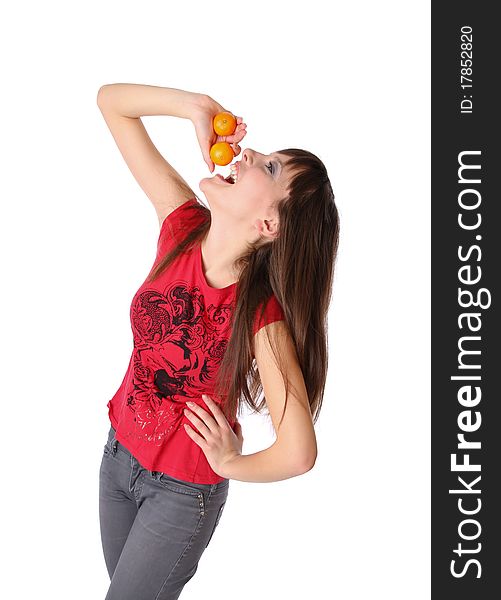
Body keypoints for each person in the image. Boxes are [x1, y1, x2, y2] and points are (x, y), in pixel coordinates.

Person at [96, 83, 340, 600]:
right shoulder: (181, 226)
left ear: (269, 223)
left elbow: (298, 452)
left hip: (180, 494)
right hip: (118, 460)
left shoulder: (260, 315)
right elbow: (111, 103)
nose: (248, 152)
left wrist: (230, 464)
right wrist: (195, 107)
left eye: (270, 168)